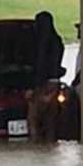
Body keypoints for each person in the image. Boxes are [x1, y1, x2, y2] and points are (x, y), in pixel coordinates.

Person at [27, 11, 64, 143]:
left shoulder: (41, 43)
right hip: (55, 84)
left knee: (33, 119)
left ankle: (36, 145)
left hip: (42, 85)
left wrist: (33, 88)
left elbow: (40, 67)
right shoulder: (58, 41)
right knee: (51, 121)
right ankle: (50, 146)